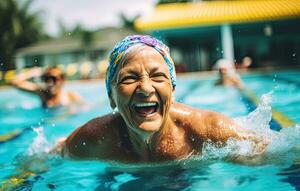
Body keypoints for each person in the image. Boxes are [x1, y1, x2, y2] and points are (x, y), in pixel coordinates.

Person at [57, 35, 261, 163]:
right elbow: (49, 157)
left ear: (172, 92)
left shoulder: (209, 130)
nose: (146, 89)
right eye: (129, 78)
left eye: (157, 76)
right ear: (111, 97)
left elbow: (279, 153)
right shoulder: (92, 139)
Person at [11, 66, 82, 108]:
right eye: (46, 79)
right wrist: (31, 73)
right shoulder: (42, 93)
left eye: (54, 79)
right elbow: (15, 82)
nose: (50, 82)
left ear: (62, 80)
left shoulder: (71, 96)